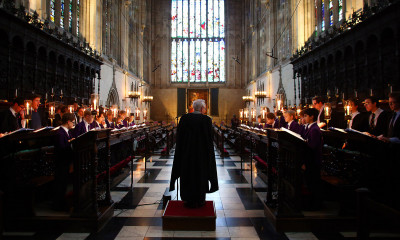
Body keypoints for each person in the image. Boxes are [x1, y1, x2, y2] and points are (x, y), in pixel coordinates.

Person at [170, 99, 218, 208]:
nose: (205, 110)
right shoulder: (206, 120)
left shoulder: (184, 118)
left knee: (187, 174)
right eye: (204, 108)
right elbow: (209, 140)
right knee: (200, 175)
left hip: (186, 154)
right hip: (201, 155)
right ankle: (200, 199)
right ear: (202, 108)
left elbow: (179, 137)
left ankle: (187, 199)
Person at [301, 108, 323, 210]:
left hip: (313, 160)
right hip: (309, 160)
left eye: (306, 116)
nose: (304, 118)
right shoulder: (309, 128)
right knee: (309, 182)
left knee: (313, 183)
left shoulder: (314, 129)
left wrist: (304, 142)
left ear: (312, 117)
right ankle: (311, 203)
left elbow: (312, 146)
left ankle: (316, 205)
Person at [53, 112, 75, 211]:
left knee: (64, 184)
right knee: (60, 185)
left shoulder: (68, 132)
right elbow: (61, 148)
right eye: (73, 122)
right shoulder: (60, 133)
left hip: (66, 162)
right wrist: (70, 143)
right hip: (61, 162)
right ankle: (59, 205)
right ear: (68, 122)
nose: (73, 124)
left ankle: (63, 203)